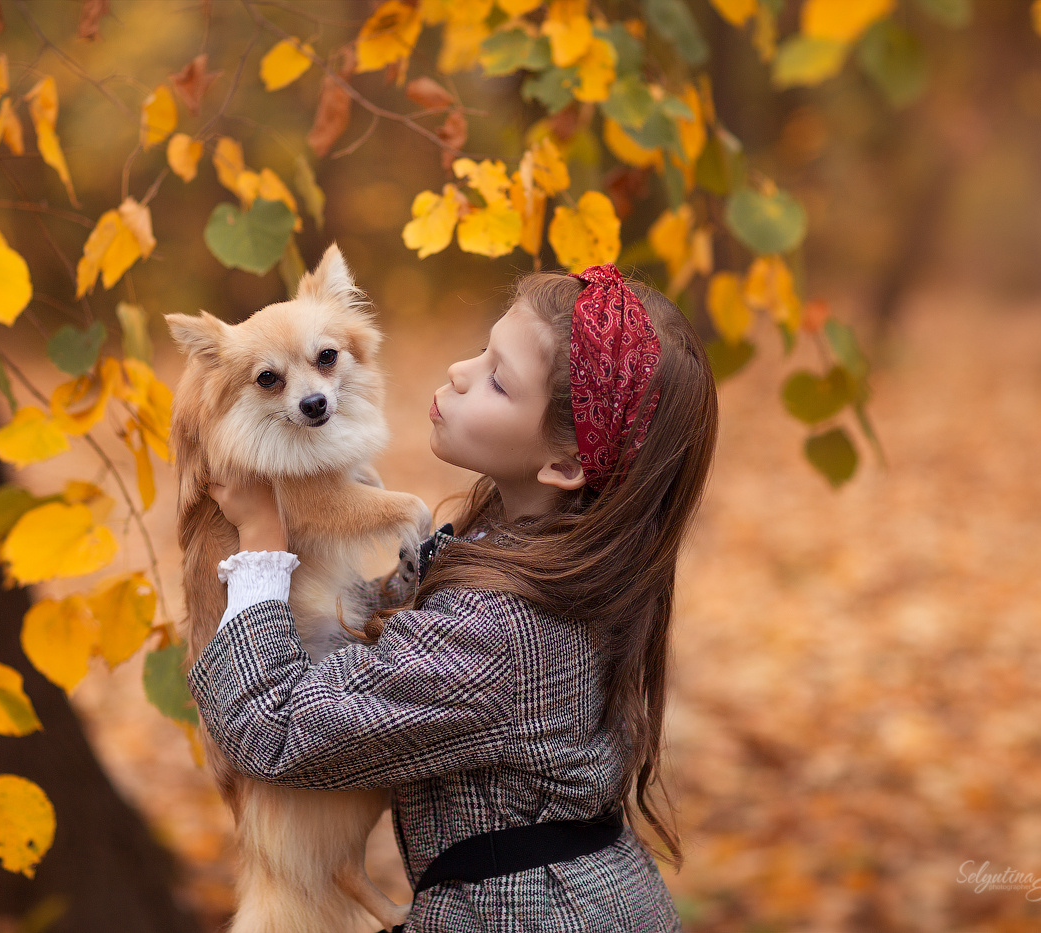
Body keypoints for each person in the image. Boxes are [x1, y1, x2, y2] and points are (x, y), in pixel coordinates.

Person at [190, 263, 719, 932]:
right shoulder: (552, 550)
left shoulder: (497, 634)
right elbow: (399, 652)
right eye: (481, 347)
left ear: (562, 464)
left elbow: (275, 731)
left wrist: (263, 540)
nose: (461, 371)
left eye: (498, 378)